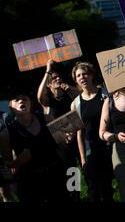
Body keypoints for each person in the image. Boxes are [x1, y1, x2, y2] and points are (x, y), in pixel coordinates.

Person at [6, 90, 68, 202]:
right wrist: (18, 161)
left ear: (30, 103)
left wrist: (67, 136)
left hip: (54, 174)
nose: (21, 101)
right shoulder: (9, 130)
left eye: (24, 98)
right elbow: (8, 162)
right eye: (16, 100)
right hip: (30, 180)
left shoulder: (44, 118)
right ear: (10, 107)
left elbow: (61, 140)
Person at [37, 59, 80, 201]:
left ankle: (78, 195)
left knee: (84, 167)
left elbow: (82, 92)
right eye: (54, 79)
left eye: (59, 77)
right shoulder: (47, 101)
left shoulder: (69, 94)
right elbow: (39, 95)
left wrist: (70, 88)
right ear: (49, 84)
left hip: (77, 137)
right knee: (70, 170)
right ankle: (73, 196)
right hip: (61, 144)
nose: (58, 79)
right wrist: (48, 70)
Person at [71, 62, 114, 202]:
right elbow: (79, 133)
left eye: (85, 74)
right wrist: (83, 159)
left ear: (91, 75)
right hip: (92, 150)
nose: (82, 77)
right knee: (94, 190)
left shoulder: (105, 94)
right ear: (75, 80)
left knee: (108, 189)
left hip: (111, 146)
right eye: (78, 75)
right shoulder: (76, 103)